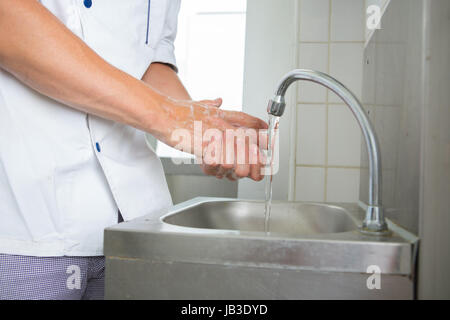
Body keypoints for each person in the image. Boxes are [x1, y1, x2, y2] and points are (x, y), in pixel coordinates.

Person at [0, 0, 267, 300]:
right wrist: (173, 118)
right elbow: (8, 19)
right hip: (30, 220)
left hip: (138, 221)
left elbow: (149, 59)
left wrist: (207, 134)